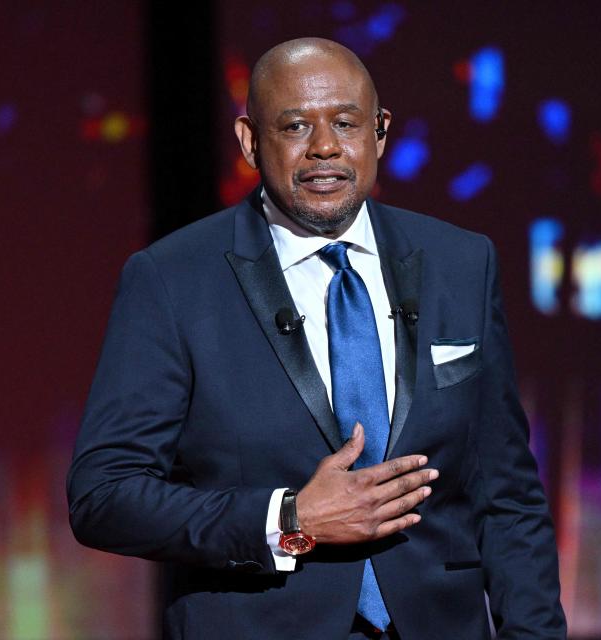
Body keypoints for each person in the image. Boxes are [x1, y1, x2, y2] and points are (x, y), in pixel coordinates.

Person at [67, 37, 566, 639]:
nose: (325, 147)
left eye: (346, 123)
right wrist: (290, 519)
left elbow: (506, 495)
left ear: (380, 132)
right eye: (296, 125)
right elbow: (104, 496)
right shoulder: (172, 280)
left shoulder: (461, 263)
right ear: (251, 141)